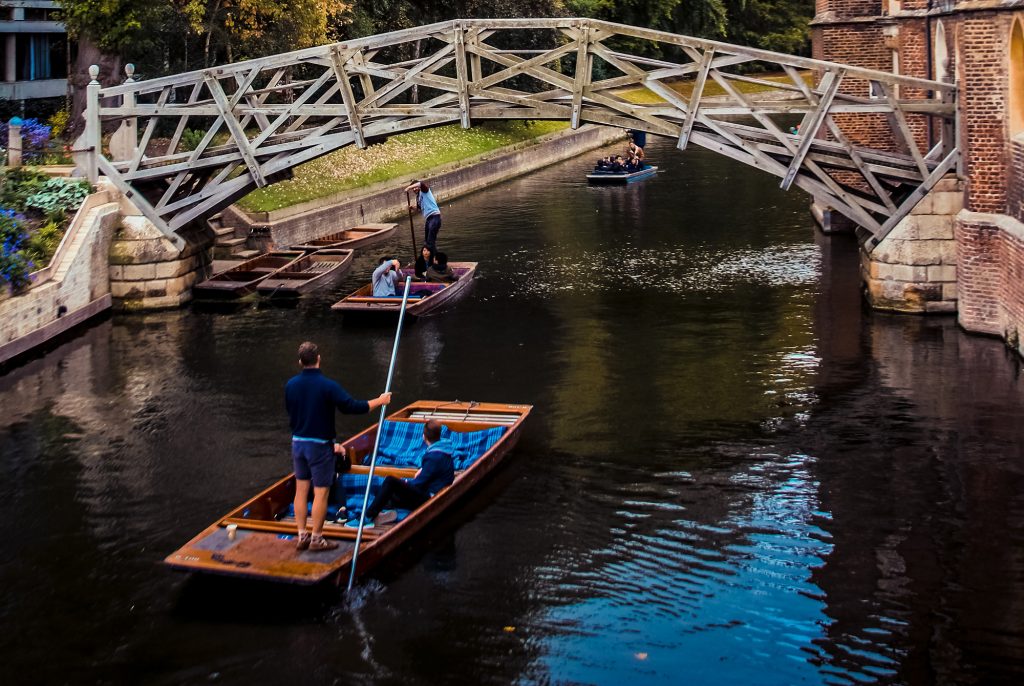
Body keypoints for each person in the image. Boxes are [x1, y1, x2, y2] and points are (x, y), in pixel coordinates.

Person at [285, 341, 392, 552]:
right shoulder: (327, 386)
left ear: (300, 362)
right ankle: (316, 539)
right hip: (320, 447)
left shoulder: (290, 385)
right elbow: (352, 407)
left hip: (298, 444)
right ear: (318, 359)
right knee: (321, 492)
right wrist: (380, 401)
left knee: (301, 490)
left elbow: (292, 412)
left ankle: (301, 535)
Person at [354, 419, 454, 527]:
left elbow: (418, 484)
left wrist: (404, 482)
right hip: (433, 490)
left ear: (424, 436)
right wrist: (421, 470)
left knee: (390, 482)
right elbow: (432, 470)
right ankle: (384, 514)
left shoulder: (434, 457)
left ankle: (367, 517)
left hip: (431, 498)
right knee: (390, 491)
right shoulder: (443, 449)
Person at [404, 179, 442, 252]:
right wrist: (412, 208)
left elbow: (420, 183)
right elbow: (419, 209)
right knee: (427, 242)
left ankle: (434, 259)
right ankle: (432, 258)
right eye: (413, 188)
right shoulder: (418, 197)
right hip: (428, 219)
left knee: (430, 242)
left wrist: (408, 187)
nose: (414, 189)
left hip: (435, 217)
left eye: (415, 187)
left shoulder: (424, 191)